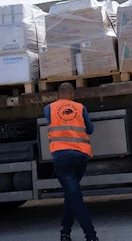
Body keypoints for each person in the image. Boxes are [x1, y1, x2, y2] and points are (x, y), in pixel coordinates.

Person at [44, 83, 98, 241]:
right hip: (80, 156)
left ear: (58, 95)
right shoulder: (80, 108)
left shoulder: (49, 109)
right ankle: (65, 233)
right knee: (72, 194)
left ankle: (91, 236)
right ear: (72, 94)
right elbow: (90, 129)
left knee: (74, 195)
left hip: (61, 157)